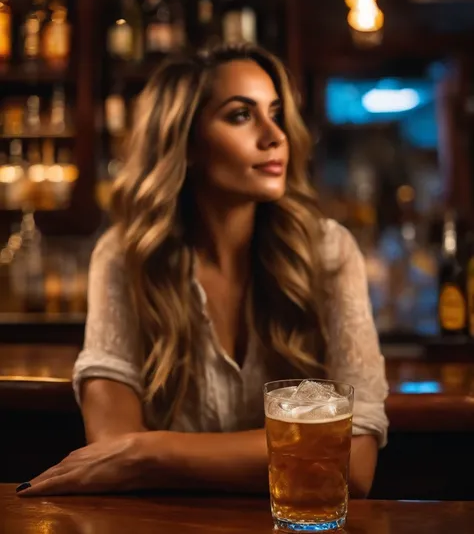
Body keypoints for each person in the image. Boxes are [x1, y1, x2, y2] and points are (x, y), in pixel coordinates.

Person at [16, 45, 388, 498]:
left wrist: (151, 453)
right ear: (186, 143)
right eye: (240, 116)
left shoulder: (329, 252)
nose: (275, 136)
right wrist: (294, 451)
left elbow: (355, 460)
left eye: (275, 113)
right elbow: (110, 446)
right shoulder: (126, 255)